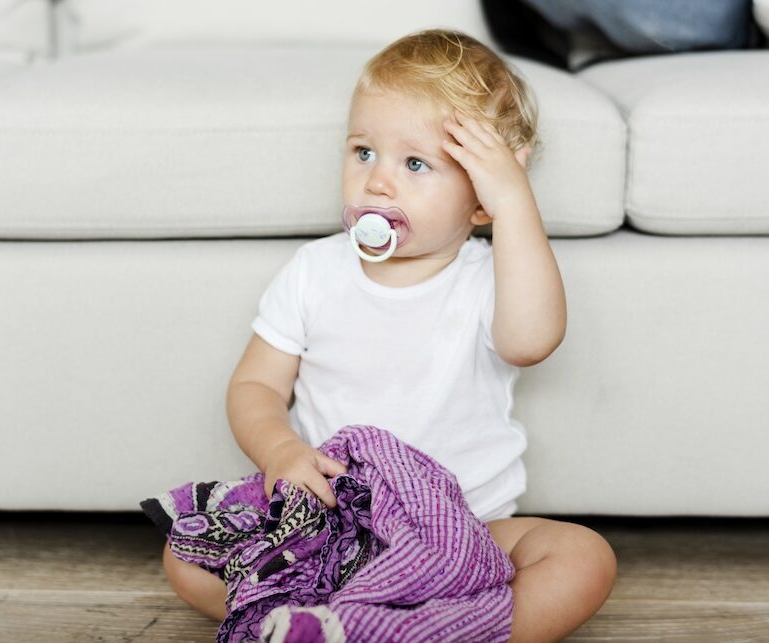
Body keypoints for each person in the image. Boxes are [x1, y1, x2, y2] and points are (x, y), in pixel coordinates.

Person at [162, 28, 618, 642]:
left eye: (415, 164)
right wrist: (280, 452)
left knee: (583, 559)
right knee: (184, 559)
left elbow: (531, 340)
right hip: (336, 530)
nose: (377, 182)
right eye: (363, 152)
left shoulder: (492, 280)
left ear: (480, 200)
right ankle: (348, 623)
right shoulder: (314, 273)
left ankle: (414, 629)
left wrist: (514, 201)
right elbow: (254, 385)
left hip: (465, 533)